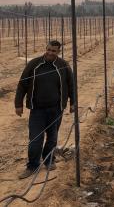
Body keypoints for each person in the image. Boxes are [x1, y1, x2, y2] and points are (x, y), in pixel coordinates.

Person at [15, 40, 74, 179]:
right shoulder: (34, 64)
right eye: (48, 49)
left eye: (53, 51)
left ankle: (49, 160)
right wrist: (18, 104)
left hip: (56, 109)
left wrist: (73, 102)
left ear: (58, 52)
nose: (50, 53)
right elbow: (22, 84)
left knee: (52, 137)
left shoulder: (63, 65)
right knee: (35, 138)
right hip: (37, 110)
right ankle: (32, 166)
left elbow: (71, 85)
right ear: (45, 49)